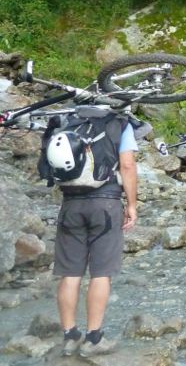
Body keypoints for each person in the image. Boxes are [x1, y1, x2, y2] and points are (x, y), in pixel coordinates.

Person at [51, 116, 139, 357]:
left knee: (70, 273)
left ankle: (70, 336)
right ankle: (94, 337)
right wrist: (132, 204)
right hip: (105, 204)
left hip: (70, 204)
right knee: (101, 272)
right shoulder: (120, 123)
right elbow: (127, 165)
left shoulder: (70, 121)